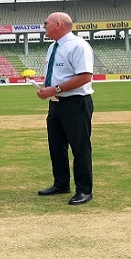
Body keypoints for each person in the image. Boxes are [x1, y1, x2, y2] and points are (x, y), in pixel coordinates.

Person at [36, 12, 94, 205]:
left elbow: (85, 76)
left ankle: (84, 190)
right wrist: (47, 90)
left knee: (80, 147)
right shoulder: (53, 47)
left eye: (46, 23)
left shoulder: (78, 46)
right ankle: (61, 183)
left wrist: (56, 88)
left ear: (58, 24)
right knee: (56, 146)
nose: (44, 26)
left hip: (76, 102)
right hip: (56, 103)